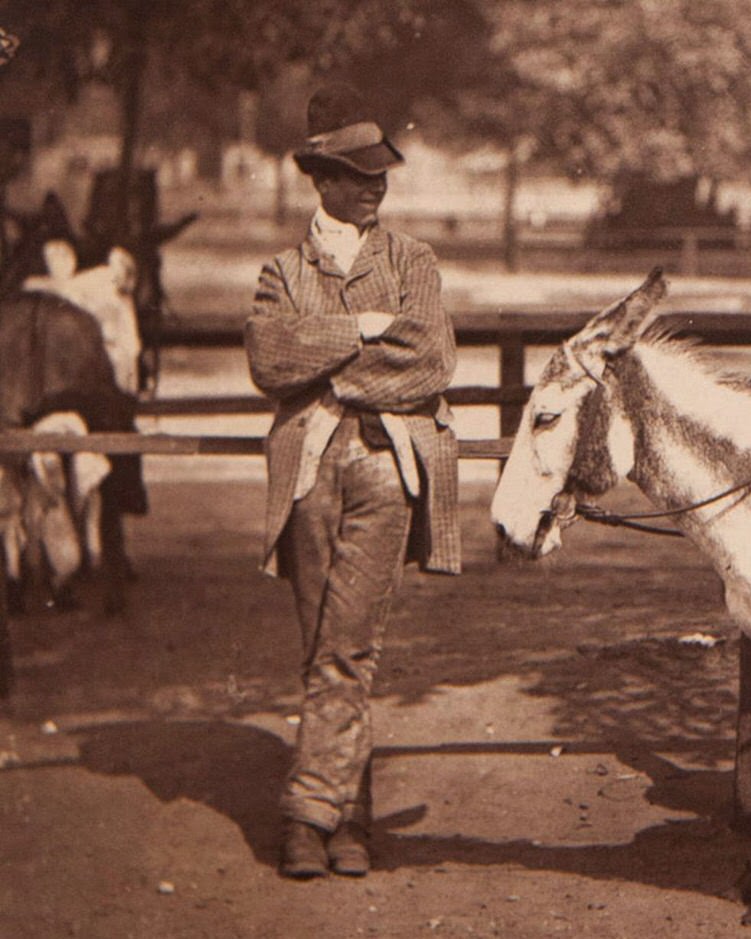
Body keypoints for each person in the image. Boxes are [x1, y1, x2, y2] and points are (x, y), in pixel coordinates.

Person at [244, 84, 461, 879]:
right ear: (321, 178)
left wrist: (333, 372)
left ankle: (305, 814)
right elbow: (270, 362)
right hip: (306, 471)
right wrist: (363, 331)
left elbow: (430, 363)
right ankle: (351, 821)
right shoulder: (280, 271)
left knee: (348, 646)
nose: (375, 186)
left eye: (381, 175)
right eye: (357, 174)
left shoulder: (412, 262)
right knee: (325, 648)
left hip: (383, 465)